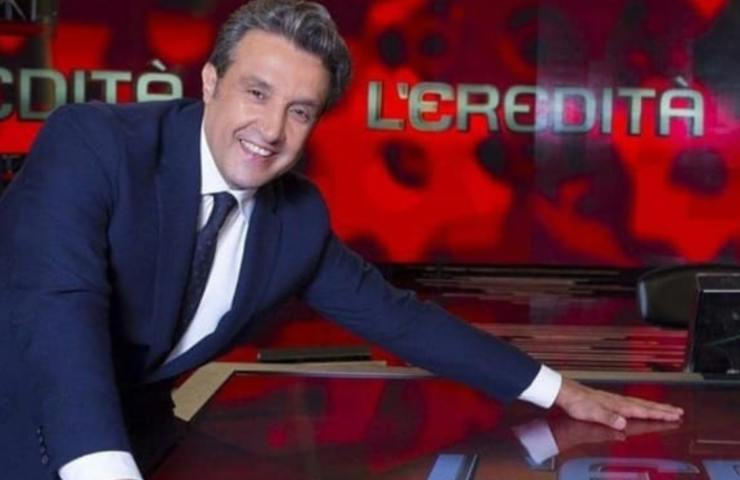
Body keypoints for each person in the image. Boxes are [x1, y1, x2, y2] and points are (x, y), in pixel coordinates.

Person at [0, 1, 683, 479]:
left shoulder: (296, 218)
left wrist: (558, 390)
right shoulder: (92, 145)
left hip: (140, 435)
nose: (271, 130)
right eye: (257, 93)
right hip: (27, 422)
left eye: (299, 111)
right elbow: (59, 317)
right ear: (210, 81)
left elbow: (401, 320)